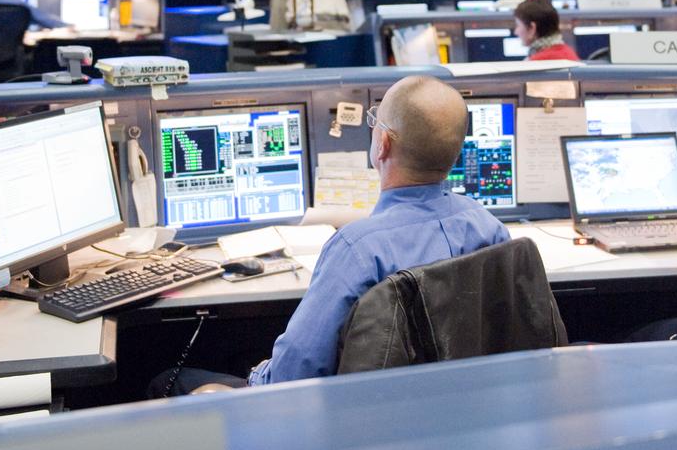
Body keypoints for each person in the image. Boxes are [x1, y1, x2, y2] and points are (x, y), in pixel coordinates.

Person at [153, 76, 510, 395]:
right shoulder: (488, 227)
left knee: (168, 379)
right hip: (457, 409)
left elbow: (292, 377)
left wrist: (257, 375)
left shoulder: (358, 249)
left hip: (357, 423)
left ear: (383, 144)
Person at [513, 0, 577, 61]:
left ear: (532, 28)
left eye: (518, 25)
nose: (516, 32)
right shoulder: (569, 52)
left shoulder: (535, 63)